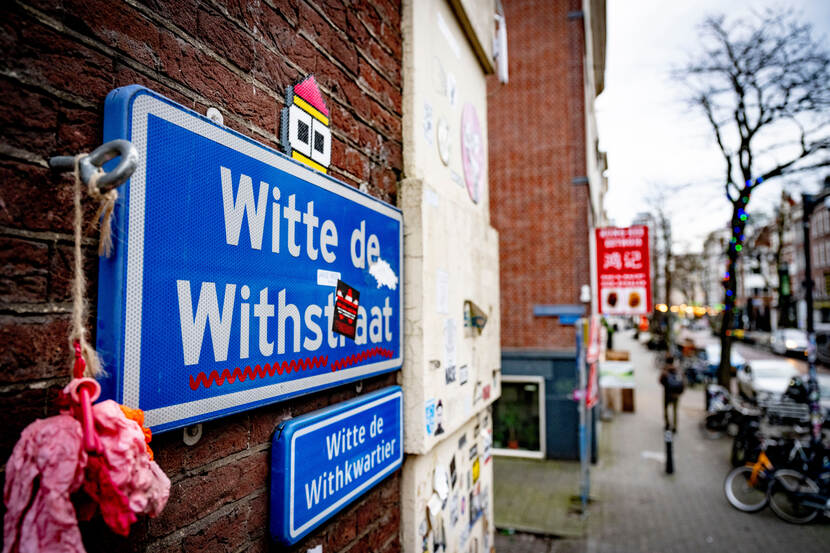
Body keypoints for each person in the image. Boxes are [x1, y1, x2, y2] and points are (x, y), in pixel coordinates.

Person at [659, 355, 684, 432]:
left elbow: (660, 381)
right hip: (676, 394)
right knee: (675, 411)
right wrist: (680, 392)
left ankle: (667, 424)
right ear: (673, 361)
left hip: (667, 393)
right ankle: (675, 426)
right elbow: (683, 382)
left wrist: (666, 385)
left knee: (666, 409)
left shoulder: (665, 370)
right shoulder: (678, 370)